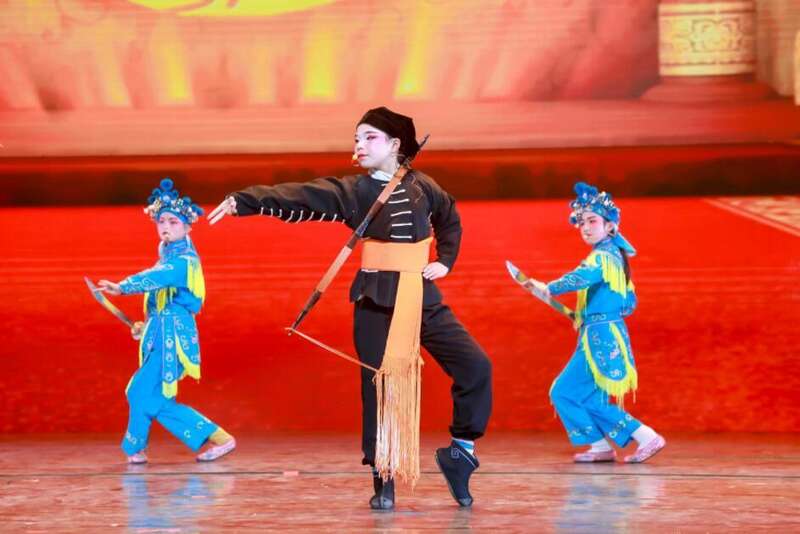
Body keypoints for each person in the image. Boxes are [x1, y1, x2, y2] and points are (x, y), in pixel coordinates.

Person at [207, 107, 492, 509]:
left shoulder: (423, 186)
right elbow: (301, 195)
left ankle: (461, 452)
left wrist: (445, 260)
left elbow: (449, 219)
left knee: (475, 366)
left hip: (421, 297)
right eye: (357, 138)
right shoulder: (353, 192)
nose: (359, 145)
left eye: (370, 137)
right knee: (379, 388)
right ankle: (383, 480)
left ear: (395, 145)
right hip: (376, 300)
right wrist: (246, 200)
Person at [99, 178, 236, 464]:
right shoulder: (167, 256)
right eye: (161, 221)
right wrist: (144, 325)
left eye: (173, 222)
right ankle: (215, 438)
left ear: (187, 227)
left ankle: (138, 448)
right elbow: (159, 299)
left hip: (172, 337)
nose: (165, 227)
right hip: (160, 332)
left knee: (139, 391)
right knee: (152, 398)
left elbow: (158, 278)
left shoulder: (183, 261)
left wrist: (122, 287)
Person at [528, 182, 665, 464]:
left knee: (563, 391)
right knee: (590, 399)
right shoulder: (613, 256)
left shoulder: (602, 257)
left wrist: (549, 288)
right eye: (581, 222)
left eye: (592, 221)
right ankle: (602, 446)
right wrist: (587, 315)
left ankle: (646, 436)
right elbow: (627, 303)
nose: (585, 227)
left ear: (610, 226)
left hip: (600, 336)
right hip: (602, 331)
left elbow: (580, 277)